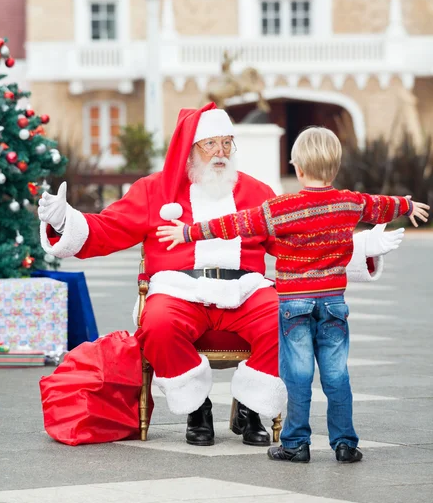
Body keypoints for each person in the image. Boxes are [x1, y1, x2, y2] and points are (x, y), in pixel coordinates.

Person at [38, 105, 404, 448]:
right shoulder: (156, 190)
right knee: (159, 322)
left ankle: (249, 408)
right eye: (210, 143)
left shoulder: (257, 192)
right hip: (178, 288)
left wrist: (364, 248)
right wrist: (62, 220)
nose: (220, 152)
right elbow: (108, 228)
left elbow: (302, 242)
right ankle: (198, 408)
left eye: (227, 143)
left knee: (288, 318)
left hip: (245, 288)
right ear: (191, 148)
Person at [157, 125, 429, 460]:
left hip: (294, 305)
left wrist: (187, 232)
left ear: (297, 168)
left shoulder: (280, 208)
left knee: (297, 376)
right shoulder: (349, 202)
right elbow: (379, 206)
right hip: (333, 305)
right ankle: (345, 444)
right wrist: (406, 205)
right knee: (337, 376)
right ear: (336, 166)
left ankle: (295, 444)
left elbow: (235, 224)